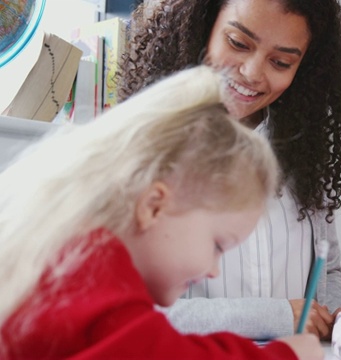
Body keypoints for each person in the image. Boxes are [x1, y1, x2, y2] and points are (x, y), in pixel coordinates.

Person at [0, 66, 324, 359]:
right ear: (154, 206)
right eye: (217, 246)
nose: (213, 270)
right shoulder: (94, 280)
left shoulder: (77, 260)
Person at [118, 0, 341, 340]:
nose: (251, 73)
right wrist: (273, 317)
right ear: (204, 27)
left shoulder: (306, 155)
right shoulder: (145, 151)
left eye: (281, 62)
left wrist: (338, 317)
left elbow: (328, 270)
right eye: (238, 43)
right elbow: (134, 310)